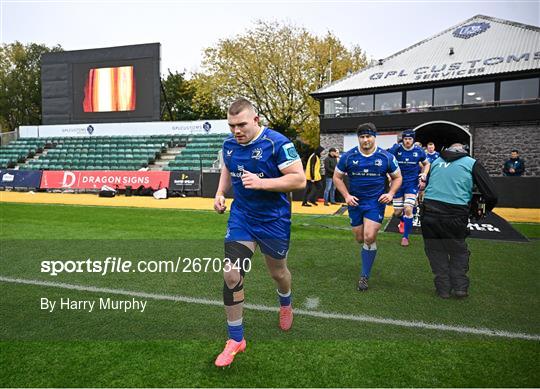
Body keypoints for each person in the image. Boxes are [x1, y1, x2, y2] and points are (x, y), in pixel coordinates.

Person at [213, 98, 305, 367]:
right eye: (231, 126)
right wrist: (220, 193)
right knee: (231, 273)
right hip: (242, 218)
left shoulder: (278, 143)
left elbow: (299, 179)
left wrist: (263, 183)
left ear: (256, 120)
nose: (236, 131)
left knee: (278, 273)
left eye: (241, 124)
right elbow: (227, 168)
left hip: (274, 220)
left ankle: (285, 303)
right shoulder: (229, 145)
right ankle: (236, 339)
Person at [421, 143, 497, 299]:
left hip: (429, 212)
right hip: (455, 214)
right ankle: (460, 287)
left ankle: (443, 289)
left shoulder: (436, 162)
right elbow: (491, 195)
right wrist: (480, 211)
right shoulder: (471, 163)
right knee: (458, 250)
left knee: (435, 250)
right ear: (464, 151)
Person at [333, 123, 402, 292]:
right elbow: (337, 177)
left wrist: (391, 194)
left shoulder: (386, 157)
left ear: (374, 137)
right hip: (355, 203)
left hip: (375, 202)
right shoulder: (348, 157)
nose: (365, 140)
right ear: (359, 138)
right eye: (362, 137)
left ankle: (364, 275)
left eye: (368, 136)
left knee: (369, 236)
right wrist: (347, 196)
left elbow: (398, 177)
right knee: (360, 238)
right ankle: (368, 248)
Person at [387, 130, 430, 247]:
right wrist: (389, 176)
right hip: (398, 183)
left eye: (410, 139)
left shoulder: (418, 151)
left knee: (408, 208)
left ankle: (405, 237)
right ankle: (403, 220)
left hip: (411, 183)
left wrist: (424, 174)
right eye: (406, 139)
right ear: (403, 139)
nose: (407, 141)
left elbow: (427, 164)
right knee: (397, 212)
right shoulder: (396, 149)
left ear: (413, 140)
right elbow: (387, 161)